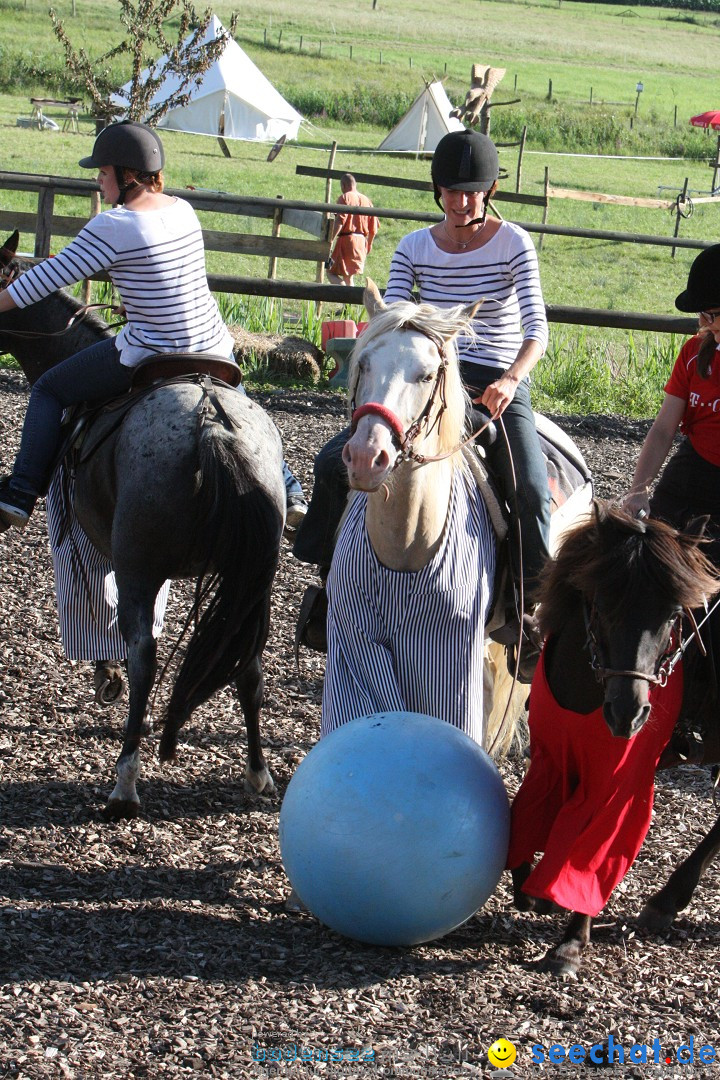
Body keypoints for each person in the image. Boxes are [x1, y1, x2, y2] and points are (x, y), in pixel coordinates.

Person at [295, 130, 550, 678]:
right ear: (437, 192)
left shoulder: (515, 244)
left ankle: (529, 613)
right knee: (327, 463)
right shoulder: (414, 246)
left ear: (490, 191)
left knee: (529, 486)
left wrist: (510, 380)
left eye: (470, 193)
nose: (459, 203)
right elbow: (391, 322)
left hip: (493, 380)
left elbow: (537, 332)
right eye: (449, 192)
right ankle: (325, 589)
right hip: (420, 377)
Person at [0, 120, 306, 532]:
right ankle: (290, 489)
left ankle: (19, 494)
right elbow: (173, 282)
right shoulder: (183, 209)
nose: (98, 182)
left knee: (48, 389)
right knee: (244, 407)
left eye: (103, 173)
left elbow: (41, 282)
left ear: (128, 177)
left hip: (152, 351)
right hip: (214, 344)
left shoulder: (113, 225)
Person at [623, 243, 720, 567]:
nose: (703, 321)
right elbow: (664, 429)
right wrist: (639, 489)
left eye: (712, 314)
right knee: (648, 552)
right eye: (703, 313)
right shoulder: (694, 352)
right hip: (694, 464)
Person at [326, 174, 378, 287]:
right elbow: (373, 228)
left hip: (347, 241)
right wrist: (369, 244)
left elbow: (340, 222)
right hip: (361, 242)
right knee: (348, 276)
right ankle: (348, 304)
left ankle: (345, 294)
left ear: (343, 185)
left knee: (330, 273)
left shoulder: (345, 197)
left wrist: (330, 240)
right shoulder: (367, 201)